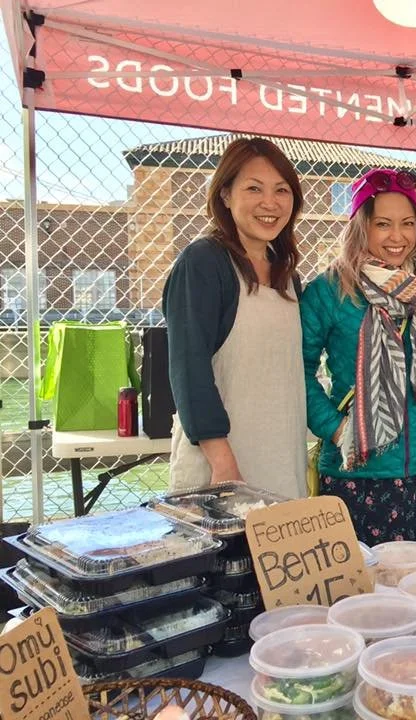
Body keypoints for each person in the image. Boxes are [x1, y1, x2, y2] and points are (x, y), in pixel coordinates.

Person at [300, 168, 416, 545]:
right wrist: (335, 428)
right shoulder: (329, 290)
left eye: (407, 224)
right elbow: (296, 370)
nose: (397, 237)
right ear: (361, 226)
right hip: (356, 469)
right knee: (363, 590)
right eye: (383, 224)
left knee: (415, 585)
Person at [163, 137, 307, 498]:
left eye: (281, 190)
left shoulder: (287, 275)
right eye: (254, 188)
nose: (270, 203)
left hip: (280, 460)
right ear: (225, 194)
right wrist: (223, 463)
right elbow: (188, 368)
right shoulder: (203, 263)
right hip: (222, 470)